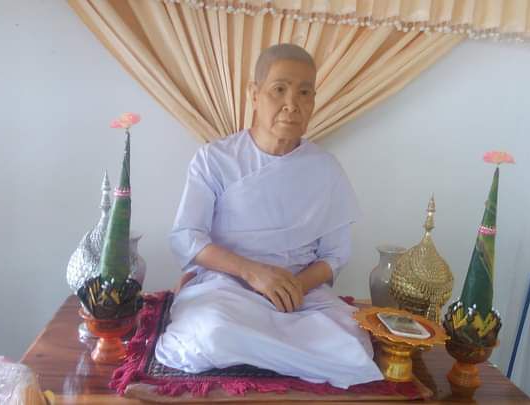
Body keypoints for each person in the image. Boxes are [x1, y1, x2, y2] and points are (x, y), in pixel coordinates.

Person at [155, 44, 383, 388]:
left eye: (304, 92)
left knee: (353, 345)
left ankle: (255, 351)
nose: (292, 104)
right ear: (254, 94)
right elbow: (187, 238)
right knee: (212, 331)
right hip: (226, 287)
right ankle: (271, 353)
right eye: (279, 89)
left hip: (299, 295)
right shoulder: (215, 159)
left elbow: (335, 256)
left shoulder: (326, 169)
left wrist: (293, 287)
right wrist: (254, 273)